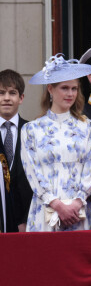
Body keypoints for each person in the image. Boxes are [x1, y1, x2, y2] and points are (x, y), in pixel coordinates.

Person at [21, 54, 91, 231]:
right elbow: (32, 172)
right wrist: (55, 204)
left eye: (74, 88)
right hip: (44, 210)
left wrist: (77, 202)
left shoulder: (88, 127)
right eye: (65, 88)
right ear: (50, 88)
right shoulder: (31, 130)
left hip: (78, 212)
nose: (70, 94)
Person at [0, 70, 31, 232]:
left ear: (21, 98)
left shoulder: (32, 131)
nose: (6, 98)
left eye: (12, 93)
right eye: (1, 93)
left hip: (25, 222)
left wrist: (26, 219)